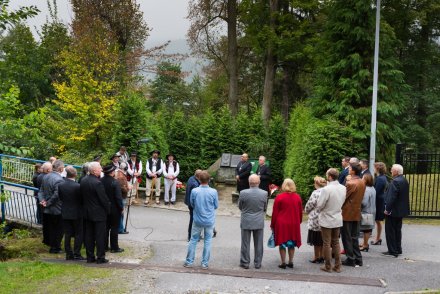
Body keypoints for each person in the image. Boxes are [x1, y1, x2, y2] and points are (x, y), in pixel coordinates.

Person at [184, 171, 218, 269]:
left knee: (193, 240)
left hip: (197, 219)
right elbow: (216, 206)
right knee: (208, 241)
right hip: (209, 220)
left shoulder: (195, 191)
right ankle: (204, 263)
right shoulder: (213, 191)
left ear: (199, 179)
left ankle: (189, 262)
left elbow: (192, 204)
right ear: (208, 180)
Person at [317, 168, 346, 273]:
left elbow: (319, 205)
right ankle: (338, 266)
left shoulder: (326, 189)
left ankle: (328, 266)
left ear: (329, 177)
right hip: (337, 217)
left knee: (326, 243)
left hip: (326, 218)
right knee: (336, 242)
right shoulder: (343, 188)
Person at [81, 162, 110, 264]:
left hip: (87, 212)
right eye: (99, 168)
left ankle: (90, 257)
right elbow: (103, 199)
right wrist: (108, 210)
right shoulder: (98, 183)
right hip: (98, 213)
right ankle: (100, 257)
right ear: (94, 171)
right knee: (100, 236)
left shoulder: (83, 180)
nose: (101, 170)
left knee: (89, 235)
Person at [270, 178, 302, 269]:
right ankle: (291, 261)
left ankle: (283, 262)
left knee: (282, 243)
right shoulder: (297, 197)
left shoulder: (279, 197)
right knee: (291, 243)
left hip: (282, 223)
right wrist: (298, 221)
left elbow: (275, 213)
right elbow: (300, 212)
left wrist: (272, 225)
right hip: (293, 223)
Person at [238, 174, 267, 269]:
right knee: (259, 243)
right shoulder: (264, 193)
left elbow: (240, 207)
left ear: (249, 182)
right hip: (258, 220)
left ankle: (245, 262)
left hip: (246, 219)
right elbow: (264, 208)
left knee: (245, 243)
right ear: (259, 182)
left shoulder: (243, 193)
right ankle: (258, 263)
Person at [341, 163, 366, 267]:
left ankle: (350, 258)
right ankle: (358, 258)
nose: (348, 170)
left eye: (350, 168)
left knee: (347, 236)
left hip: (347, 212)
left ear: (353, 171)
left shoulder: (351, 183)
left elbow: (343, 197)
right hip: (356, 212)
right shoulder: (361, 182)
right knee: (354, 237)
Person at [382, 164, 410, 258]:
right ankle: (398, 249)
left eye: (392, 170)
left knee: (390, 231)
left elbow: (391, 197)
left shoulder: (395, 181)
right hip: (400, 210)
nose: (391, 171)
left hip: (393, 211)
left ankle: (392, 251)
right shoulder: (404, 180)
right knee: (397, 230)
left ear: (396, 172)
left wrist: (387, 209)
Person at [38, 160, 65, 253]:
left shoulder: (45, 176)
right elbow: (57, 195)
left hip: (47, 208)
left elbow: (40, 190)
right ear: (61, 168)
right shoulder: (59, 179)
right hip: (56, 208)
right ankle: (55, 247)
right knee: (58, 229)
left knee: (51, 227)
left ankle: (51, 245)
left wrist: (42, 201)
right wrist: (47, 203)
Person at [58, 166, 84, 260]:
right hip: (77, 212)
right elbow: (81, 199)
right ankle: (77, 253)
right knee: (78, 233)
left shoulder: (61, 185)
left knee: (68, 233)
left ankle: (68, 253)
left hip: (65, 211)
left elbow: (60, 198)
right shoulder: (78, 186)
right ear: (75, 175)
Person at [101, 164, 124, 253]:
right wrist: (121, 207)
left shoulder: (100, 181)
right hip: (114, 208)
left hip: (104, 208)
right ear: (112, 172)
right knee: (114, 228)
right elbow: (118, 197)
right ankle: (114, 247)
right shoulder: (115, 182)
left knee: (106, 228)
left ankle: (105, 246)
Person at [304, 176, 327, 264]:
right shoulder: (327, 191)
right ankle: (322, 256)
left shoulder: (315, 193)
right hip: (325, 217)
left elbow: (309, 205)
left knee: (316, 239)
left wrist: (306, 211)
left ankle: (316, 256)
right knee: (323, 239)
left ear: (317, 184)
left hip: (316, 219)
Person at [371, 162, 388, 245]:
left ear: (378, 169)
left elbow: (376, 192)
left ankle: (378, 238)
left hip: (379, 201)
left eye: (375, 167)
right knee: (378, 220)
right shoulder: (380, 177)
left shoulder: (381, 178)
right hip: (379, 200)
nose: (374, 169)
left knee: (378, 220)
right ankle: (378, 238)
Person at [359, 173, 376, 252]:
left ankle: (365, 245)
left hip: (366, 212)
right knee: (368, 229)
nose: (361, 179)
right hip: (372, 210)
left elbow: (364, 202)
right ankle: (364, 243)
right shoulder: (372, 188)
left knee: (366, 229)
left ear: (366, 180)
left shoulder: (366, 189)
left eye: (363, 178)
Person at [185, 169, 202, 241]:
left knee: (193, 219)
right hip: (193, 204)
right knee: (194, 220)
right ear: (198, 176)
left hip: (189, 203)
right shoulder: (195, 184)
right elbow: (197, 196)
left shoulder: (191, 178)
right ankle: (191, 236)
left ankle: (191, 235)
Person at [115, 162, 131, 234]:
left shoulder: (119, 173)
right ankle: (120, 229)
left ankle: (120, 228)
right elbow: (122, 188)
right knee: (120, 213)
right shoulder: (121, 176)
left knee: (120, 213)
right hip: (121, 196)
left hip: (121, 196)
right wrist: (128, 188)